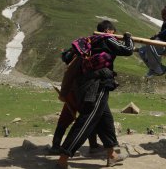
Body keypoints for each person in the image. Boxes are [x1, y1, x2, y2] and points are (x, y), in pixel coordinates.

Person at [56, 20, 134, 168]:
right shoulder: (107, 38)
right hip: (97, 85)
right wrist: (128, 37)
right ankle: (63, 158)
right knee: (86, 120)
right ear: (109, 30)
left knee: (106, 119)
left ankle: (112, 155)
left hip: (87, 83)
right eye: (113, 31)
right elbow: (128, 50)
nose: (113, 34)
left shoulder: (91, 41)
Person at [139, 6, 166, 77]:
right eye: (162, 15)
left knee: (150, 44)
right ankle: (156, 68)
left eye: (164, 14)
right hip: (165, 42)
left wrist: (158, 35)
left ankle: (158, 70)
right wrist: (157, 36)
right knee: (141, 51)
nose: (162, 16)